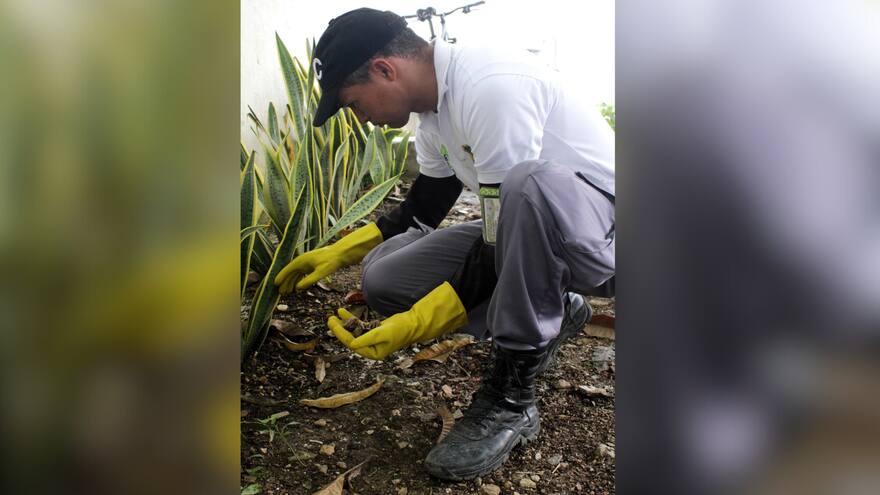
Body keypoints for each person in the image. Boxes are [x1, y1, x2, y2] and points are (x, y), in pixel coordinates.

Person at [274, 7, 615, 481]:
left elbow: (503, 231)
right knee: (385, 280)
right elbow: (425, 206)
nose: (362, 118)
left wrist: (425, 318)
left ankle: (510, 401)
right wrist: (339, 252)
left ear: (384, 69)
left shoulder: (490, 86)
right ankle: (560, 307)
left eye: (354, 103)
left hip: (607, 238)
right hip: (528, 231)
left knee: (525, 186)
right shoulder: (432, 114)